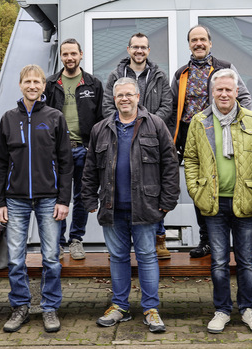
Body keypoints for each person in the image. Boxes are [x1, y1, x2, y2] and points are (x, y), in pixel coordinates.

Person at [82, 77, 179, 333]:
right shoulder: (100, 129)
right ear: (114, 99)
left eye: (129, 94)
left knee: (147, 257)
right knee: (117, 258)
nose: (124, 99)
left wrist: (168, 201)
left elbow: (170, 166)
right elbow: (90, 168)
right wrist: (89, 198)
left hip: (147, 207)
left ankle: (151, 309)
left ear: (138, 97)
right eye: (119, 95)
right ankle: (119, 307)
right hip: (112, 207)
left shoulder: (156, 125)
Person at [183, 68, 252, 335]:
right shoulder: (199, 121)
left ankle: (248, 310)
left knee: (245, 261)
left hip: (244, 201)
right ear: (212, 92)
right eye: (218, 89)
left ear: (236, 92)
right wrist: (197, 192)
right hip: (213, 203)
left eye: (228, 89)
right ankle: (222, 310)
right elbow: (191, 159)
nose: (223, 94)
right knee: (218, 261)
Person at [0, 65, 73, 334]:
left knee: (51, 257)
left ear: (43, 86)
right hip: (15, 199)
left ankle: (49, 308)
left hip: (49, 199)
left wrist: (64, 199)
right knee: (16, 258)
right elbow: (0, 163)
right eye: (27, 81)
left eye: (37, 81)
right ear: (20, 85)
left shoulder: (54, 117)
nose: (32, 85)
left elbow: (66, 162)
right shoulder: (8, 118)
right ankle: (20, 307)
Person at [169, 25, 252, 258]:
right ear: (189, 44)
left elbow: (244, 97)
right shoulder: (181, 73)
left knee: (227, 183)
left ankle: (234, 240)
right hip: (191, 135)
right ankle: (206, 239)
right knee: (200, 186)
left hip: (223, 132)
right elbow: (173, 107)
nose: (199, 43)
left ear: (210, 43)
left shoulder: (225, 67)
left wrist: (239, 126)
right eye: (194, 40)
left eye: (203, 39)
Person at [102, 32, 174, 259]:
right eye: (135, 47)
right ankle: (120, 246)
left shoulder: (160, 75)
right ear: (128, 49)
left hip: (151, 136)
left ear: (149, 50)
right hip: (122, 134)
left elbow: (167, 105)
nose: (139, 51)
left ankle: (159, 237)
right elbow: (107, 105)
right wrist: (124, 120)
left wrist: (149, 124)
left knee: (152, 183)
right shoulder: (116, 74)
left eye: (143, 47)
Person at [44, 38, 104, 260]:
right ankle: (58, 243)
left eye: (73, 54)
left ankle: (76, 240)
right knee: (58, 197)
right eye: (65, 54)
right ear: (61, 56)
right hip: (57, 151)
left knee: (81, 196)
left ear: (81, 54)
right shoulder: (50, 84)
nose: (69, 58)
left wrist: (94, 149)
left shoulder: (93, 84)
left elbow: (101, 119)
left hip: (83, 150)